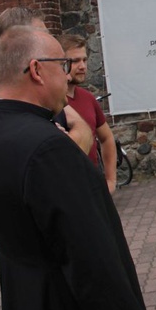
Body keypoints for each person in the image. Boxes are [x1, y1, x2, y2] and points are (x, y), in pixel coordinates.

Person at [0, 26, 156, 310]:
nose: (68, 76)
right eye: (63, 65)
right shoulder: (49, 148)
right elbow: (91, 259)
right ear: (37, 70)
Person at [0, 7, 92, 153]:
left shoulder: (43, 89)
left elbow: (83, 128)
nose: (50, 40)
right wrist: (72, 136)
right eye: (42, 35)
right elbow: (59, 153)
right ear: (15, 41)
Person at [57, 34, 117, 194]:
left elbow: (107, 138)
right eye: (75, 61)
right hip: (66, 189)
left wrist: (110, 180)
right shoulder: (51, 102)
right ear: (60, 64)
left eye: (84, 60)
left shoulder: (88, 98)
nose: (83, 66)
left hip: (92, 185)